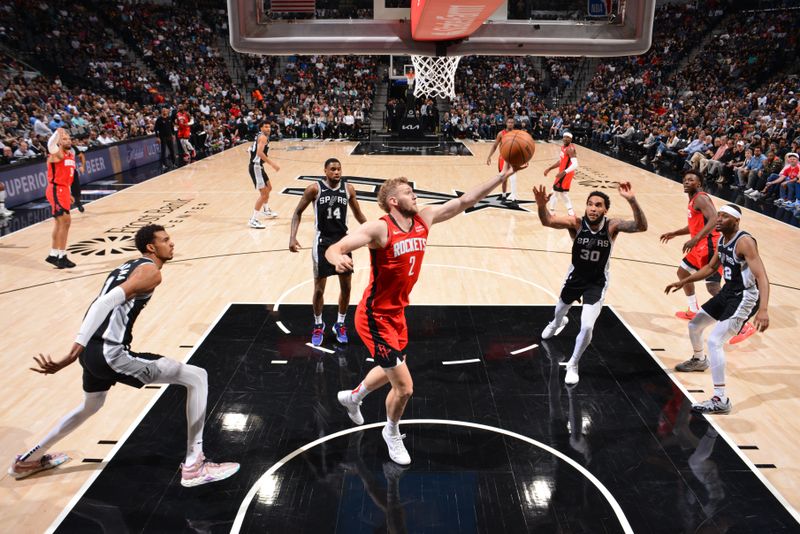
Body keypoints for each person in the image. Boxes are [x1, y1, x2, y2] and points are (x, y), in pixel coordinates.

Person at [8, 225, 240, 486]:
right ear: (151, 247)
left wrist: (84, 348)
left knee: (91, 405)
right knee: (197, 376)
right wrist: (75, 349)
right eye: (165, 240)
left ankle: (28, 460)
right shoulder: (150, 272)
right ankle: (194, 465)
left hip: (94, 353)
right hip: (109, 352)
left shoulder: (127, 266)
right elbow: (104, 303)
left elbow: (101, 303)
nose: (171, 244)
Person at [330, 165, 516, 465]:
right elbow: (339, 245)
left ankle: (353, 397)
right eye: (407, 192)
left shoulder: (424, 218)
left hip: (397, 314)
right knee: (404, 387)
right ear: (393, 201)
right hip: (374, 316)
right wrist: (337, 256)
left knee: (393, 366)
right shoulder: (381, 228)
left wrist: (501, 176)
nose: (413, 195)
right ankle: (391, 432)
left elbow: (464, 201)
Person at [533, 182, 648, 385]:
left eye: (598, 205)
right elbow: (547, 221)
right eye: (590, 204)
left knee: (587, 327)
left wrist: (632, 200)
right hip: (575, 278)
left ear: (605, 209)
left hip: (596, 282)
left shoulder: (612, 226)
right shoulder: (576, 223)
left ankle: (573, 363)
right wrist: (541, 205)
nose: (593, 208)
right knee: (559, 311)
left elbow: (641, 226)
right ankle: (557, 322)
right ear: (586, 206)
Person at [665, 204, 770, 414]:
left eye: (724, 216)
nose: (719, 219)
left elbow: (762, 277)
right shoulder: (722, 240)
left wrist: (764, 310)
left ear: (736, 221)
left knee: (715, 341)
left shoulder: (745, 242)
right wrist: (682, 281)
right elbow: (710, 268)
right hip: (727, 292)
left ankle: (720, 399)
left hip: (745, 297)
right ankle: (698, 360)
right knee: (695, 325)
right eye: (718, 215)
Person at [289, 158, 367, 345]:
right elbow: (297, 212)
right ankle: (318, 325)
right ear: (325, 171)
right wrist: (293, 236)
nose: (337, 172)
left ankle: (340, 323)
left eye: (339, 169)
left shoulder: (349, 189)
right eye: (333, 169)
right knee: (318, 289)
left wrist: (370, 231)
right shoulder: (314, 189)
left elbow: (358, 213)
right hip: (322, 242)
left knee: (346, 287)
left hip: (343, 242)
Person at [659, 171, 721, 321]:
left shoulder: (701, 198)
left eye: (691, 180)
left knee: (712, 287)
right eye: (685, 180)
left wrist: (696, 239)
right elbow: (695, 225)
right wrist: (675, 232)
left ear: (698, 184)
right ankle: (693, 309)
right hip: (699, 246)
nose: (686, 182)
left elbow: (714, 219)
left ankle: (741, 322)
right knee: (683, 272)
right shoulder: (693, 199)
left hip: (709, 245)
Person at [45, 128, 77, 269]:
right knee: (65, 221)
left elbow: (67, 177)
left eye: (69, 138)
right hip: (56, 189)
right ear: (59, 142)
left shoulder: (71, 155)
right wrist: (57, 133)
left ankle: (54, 254)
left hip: (63, 190)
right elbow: (50, 144)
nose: (68, 140)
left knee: (60, 223)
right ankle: (61, 256)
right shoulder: (55, 153)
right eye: (64, 139)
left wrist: (68, 193)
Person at [248, 121, 280, 228]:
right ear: (261, 128)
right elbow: (259, 153)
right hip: (256, 167)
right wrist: (273, 164)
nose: (268, 129)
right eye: (266, 127)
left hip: (259, 167)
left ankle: (266, 210)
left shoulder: (259, 136)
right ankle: (253, 219)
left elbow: (252, 149)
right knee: (264, 194)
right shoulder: (263, 138)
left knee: (269, 187)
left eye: (269, 127)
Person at [485, 117, 519, 205]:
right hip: (503, 158)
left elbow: (520, 147)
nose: (510, 124)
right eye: (509, 122)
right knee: (504, 179)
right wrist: (489, 156)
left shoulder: (517, 134)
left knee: (513, 178)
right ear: (506, 123)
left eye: (512, 122)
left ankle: (514, 199)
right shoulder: (501, 134)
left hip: (513, 158)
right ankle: (504, 196)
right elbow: (495, 146)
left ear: (514, 124)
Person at [543, 132, 578, 216]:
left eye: (568, 137)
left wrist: (564, 172)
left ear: (571, 139)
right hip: (563, 173)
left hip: (565, 174)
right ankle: (570, 211)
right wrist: (550, 168)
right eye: (564, 137)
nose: (565, 139)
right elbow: (561, 161)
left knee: (555, 191)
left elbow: (575, 164)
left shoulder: (570, 149)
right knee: (562, 193)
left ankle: (552, 211)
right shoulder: (563, 147)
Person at [70, 140, 87, 213]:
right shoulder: (57, 149)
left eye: (69, 140)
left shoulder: (73, 148)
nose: (68, 141)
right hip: (62, 173)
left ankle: (78, 203)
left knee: (77, 190)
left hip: (72, 171)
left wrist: (83, 166)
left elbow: (81, 156)